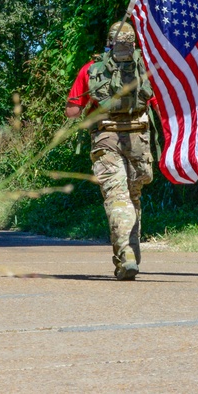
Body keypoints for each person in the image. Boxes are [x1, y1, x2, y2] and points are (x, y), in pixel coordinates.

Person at [66, 21, 158, 281]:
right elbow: (158, 104)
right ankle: (131, 256)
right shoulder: (145, 69)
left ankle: (126, 254)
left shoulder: (91, 69)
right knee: (134, 197)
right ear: (133, 42)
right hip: (139, 140)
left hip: (105, 138)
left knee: (117, 198)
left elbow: (72, 110)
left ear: (109, 41)